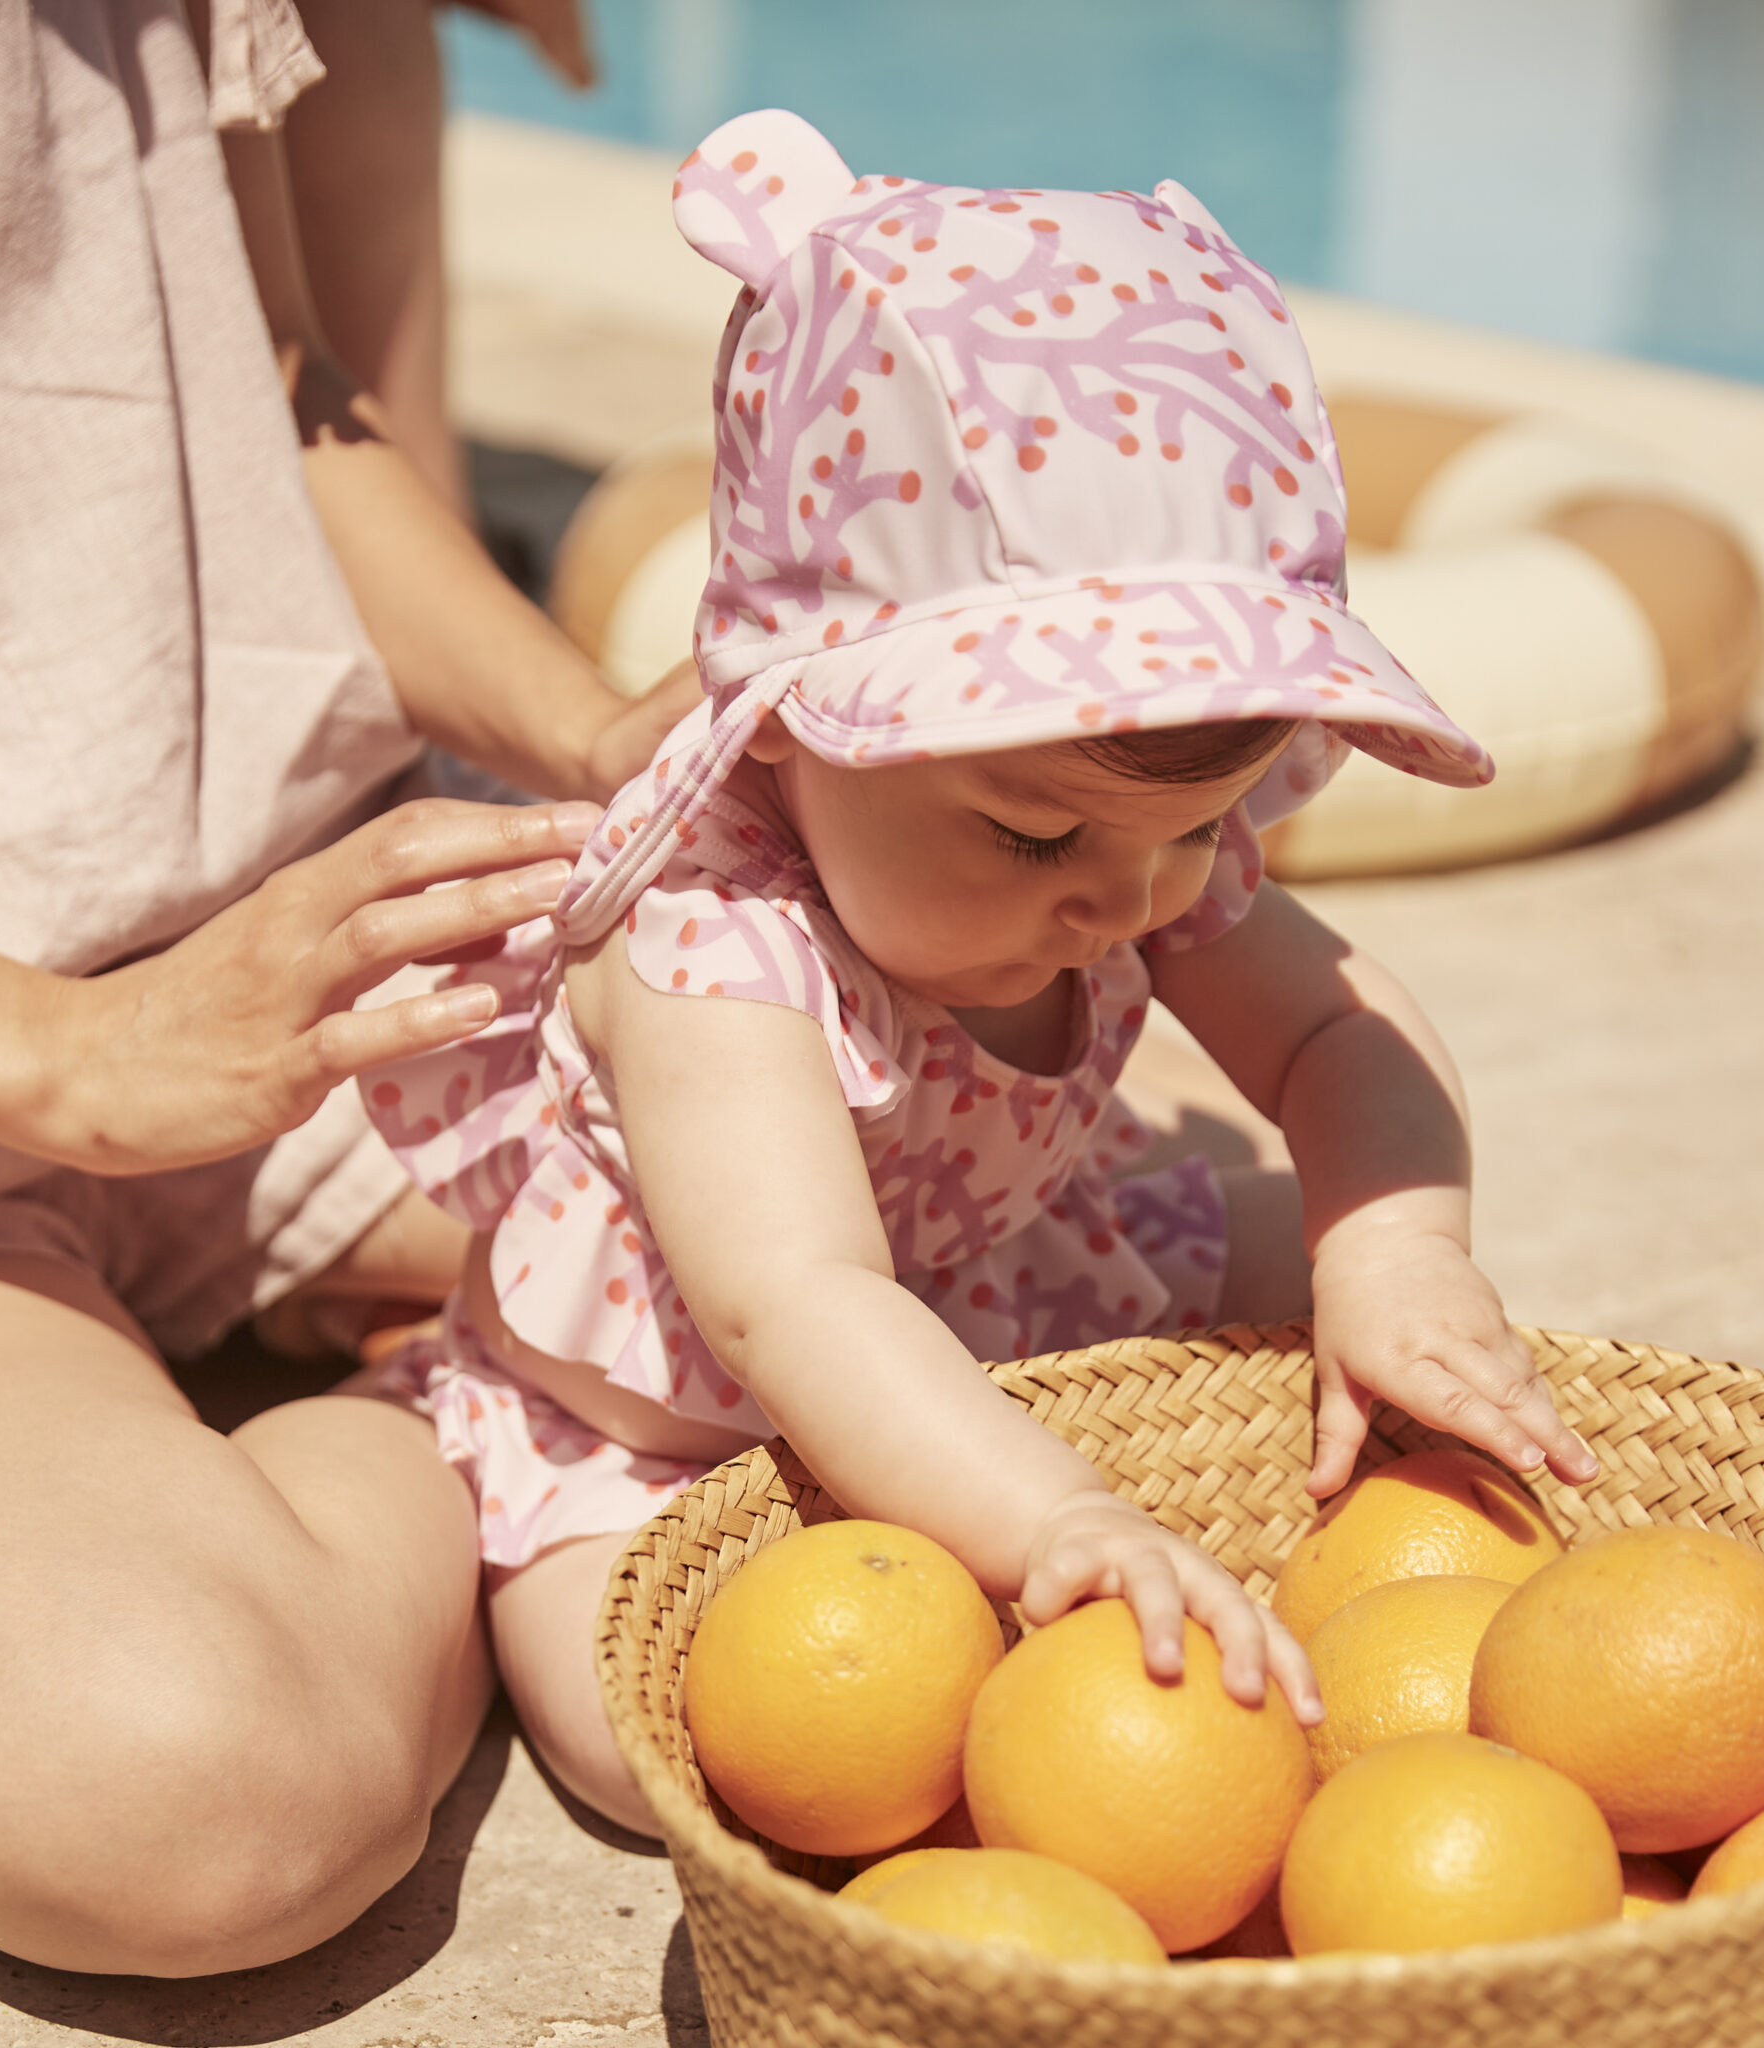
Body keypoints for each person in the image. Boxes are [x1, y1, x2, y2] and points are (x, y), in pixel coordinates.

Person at [356, 110, 1604, 1837]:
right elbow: (801, 1302)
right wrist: (1060, 1524)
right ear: (791, 737)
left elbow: (1335, 1024)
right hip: (667, 1435)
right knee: (659, 1734)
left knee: (1309, 1267)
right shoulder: (715, 948)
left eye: (1188, 839)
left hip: (982, 1296)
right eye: (1032, 844)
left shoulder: (1127, 846)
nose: (1127, 904)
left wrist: (1400, 1250)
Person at [0, 0, 691, 1978]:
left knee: (989, 1189)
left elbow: (283, 393)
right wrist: (65, 1054)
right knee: (211, 1803)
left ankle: (452, 1368)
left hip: (249, 961)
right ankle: (479, 1412)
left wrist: (602, 738)